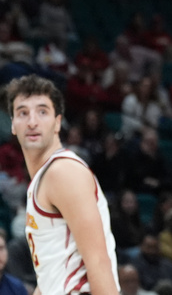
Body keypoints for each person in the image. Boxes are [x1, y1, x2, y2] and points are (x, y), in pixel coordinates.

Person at [6, 75, 119, 294]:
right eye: (22, 113)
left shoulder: (63, 172)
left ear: (58, 122)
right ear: (12, 125)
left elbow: (98, 261)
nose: (32, 122)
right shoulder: (44, 179)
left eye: (42, 112)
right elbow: (52, 277)